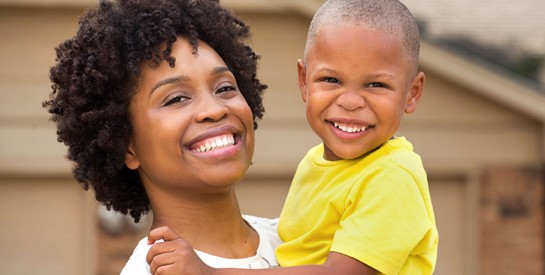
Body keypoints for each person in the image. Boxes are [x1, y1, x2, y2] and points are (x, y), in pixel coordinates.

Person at [145, 0, 439, 274]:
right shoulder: (315, 164)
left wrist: (209, 272)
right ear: (304, 81)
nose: (351, 101)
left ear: (412, 94)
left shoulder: (392, 177)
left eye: (376, 84)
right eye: (331, 80)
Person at [43, 0, 282, 274]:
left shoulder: (307, 239)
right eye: (177, 98)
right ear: (126, 147)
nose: (215, 109)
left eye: (225, 87)